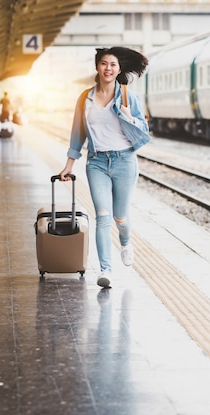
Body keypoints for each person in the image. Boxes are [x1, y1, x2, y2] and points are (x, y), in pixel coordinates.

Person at [59, 47, 151, 289]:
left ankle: (126, 240)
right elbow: (77, 133)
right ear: (97, 67)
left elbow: (143, 128)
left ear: (119, 69)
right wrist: (69, 165)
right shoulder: (85, 98)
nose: (108, 68)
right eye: (104, 64)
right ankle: (106, 269)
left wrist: (129, 116)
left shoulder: (127, 96)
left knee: (120, 217)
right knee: (102, 216)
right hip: (96, 162)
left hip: (124, 161)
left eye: (112, 64)